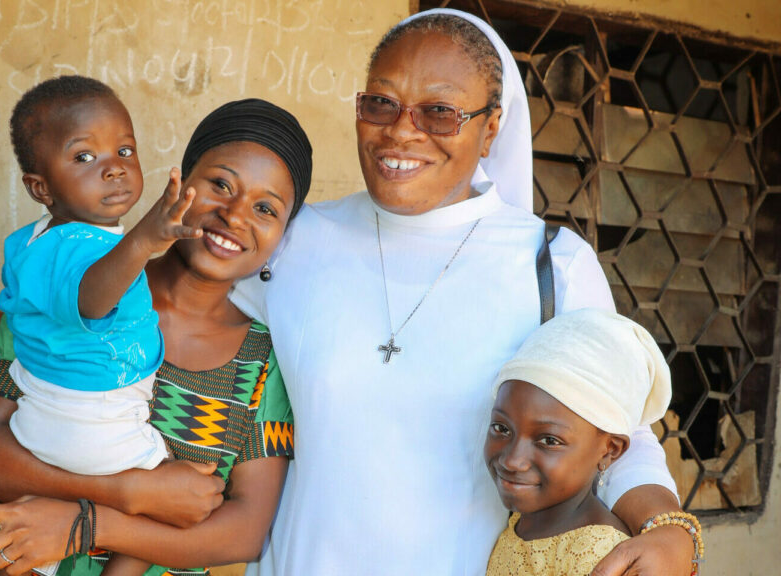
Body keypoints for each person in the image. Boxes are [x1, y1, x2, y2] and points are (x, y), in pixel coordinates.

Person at [228, 8, 696, 576]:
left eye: (440, 112)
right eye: (381, 103)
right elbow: (190, 350)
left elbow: (617, 432)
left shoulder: (548, 264)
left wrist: (671, 532)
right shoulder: (290, 242)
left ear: (491, 126)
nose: (402, 130)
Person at [0, 98, 313, 576]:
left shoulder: (264, 365)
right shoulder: (73, 289)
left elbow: (242, 533)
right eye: (219, 183)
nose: (235, 214)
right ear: (180, 181)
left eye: (266, 208)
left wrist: (89, 525)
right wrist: (129, 493)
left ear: (282, 234)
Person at [0, 75, 203, 476]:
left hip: (48, 409)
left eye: (125, 150)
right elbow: (91, 301)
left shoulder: (32, 241)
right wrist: (144, 240)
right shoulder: (76, 243)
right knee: (191, 486)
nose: (114, 169)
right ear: (40, 188)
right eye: (84, 157)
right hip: (91, 421)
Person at [484, 308, 693, 575]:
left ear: (610, 450)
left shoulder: (600, 556)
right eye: (501, 428)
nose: (512, 460)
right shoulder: (520, 522)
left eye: (549, 440)